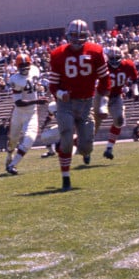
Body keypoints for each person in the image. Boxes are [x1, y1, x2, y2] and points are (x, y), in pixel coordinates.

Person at [47, 19, 111, 190]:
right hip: (65, 104)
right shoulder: (57, 54)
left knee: (86, 147)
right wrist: (61, 94)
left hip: (86, 104)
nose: (76, 39)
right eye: (73, 35)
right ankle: (66, 178)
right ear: (68, 35)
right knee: (66, 136)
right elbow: (53, 85)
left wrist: (103, 103)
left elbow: (105, 80)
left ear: (86, 36)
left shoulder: (96, 51)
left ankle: (80, 147)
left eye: (80, 36)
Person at [4, 53, 46, 175]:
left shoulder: (35, 70)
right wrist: (37, 100)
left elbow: (36, 83)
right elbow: (18, 102)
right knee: (13, 140)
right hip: (19, 113)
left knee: (30, 139)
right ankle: (9, 155)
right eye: (21, 65)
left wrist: (40, 91)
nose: (24, 67)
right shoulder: (15, 79)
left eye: (26, 64)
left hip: (32, 113)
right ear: (17, 66)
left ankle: (12, 165)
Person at [98, 46, 139, 160]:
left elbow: (134, 79)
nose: (115, 60)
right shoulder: (103, 67)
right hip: (101, 96)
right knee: (92, 124)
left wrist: (135, 91)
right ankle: (83, 148)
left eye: (117, 57)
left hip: (116, 97)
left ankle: (109, 148)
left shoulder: (127, 65)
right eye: (112, 58)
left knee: (119, 121)